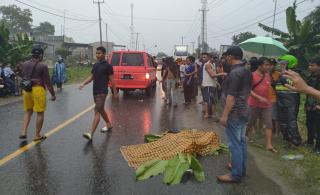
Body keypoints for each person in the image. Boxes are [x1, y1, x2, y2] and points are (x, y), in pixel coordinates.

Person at [218, 46, 252, 183]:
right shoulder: (246, 72)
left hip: (234, 114)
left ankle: (235, 175)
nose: (225, 59)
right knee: (241, 142)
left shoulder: (235, 73)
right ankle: (241, 169)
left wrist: (224, 116)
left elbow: (231, 97)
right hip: (244, 111)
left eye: (226, 56)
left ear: (230, 57)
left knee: (235, 144)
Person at [79, 46, 118, 141]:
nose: (97, 55)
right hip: (95, 91)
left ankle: (90, 134)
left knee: (97, 111)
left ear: (104, 54)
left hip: (102, 92)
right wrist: (83, 83)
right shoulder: (95, 65)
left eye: (99, 53)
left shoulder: (108, 66)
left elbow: (112, 80)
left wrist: (115, 92)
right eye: (96, 53)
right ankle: (109, 124)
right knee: (101, 110)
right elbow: (92, 77)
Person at [19, 47, 56, 141]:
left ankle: (23, 132)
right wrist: (53, 94)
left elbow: (22, 76)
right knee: (40, 113)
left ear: (31, 54)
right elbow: (48, 82)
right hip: (38, 90)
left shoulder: (24, 64)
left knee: (28, 111)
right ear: (40, 55)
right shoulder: (42, 66)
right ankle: (37, 135)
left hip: (27, 90)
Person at [247, 57, 277, 152]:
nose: (268, 67)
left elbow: (269, 88)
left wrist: (271, 98)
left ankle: (269, 144)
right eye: (266, 65)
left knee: (269, 124)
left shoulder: (268, 76)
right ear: (259, 66)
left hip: (267, 105)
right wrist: (259, 97)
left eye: (269, 65)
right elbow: (248, 90)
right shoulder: (252, 75)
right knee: (250, 123)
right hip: (253, 104)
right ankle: (245, 136)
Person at [275, 55, 302, 147]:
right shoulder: (281, 74)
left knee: (291, 121)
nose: (280, 65)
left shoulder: (295, 74)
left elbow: (288, 83)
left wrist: (283, 75)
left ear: (290, 64)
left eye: (283, 63)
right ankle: (287, 139)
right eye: (280, 63)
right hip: (281, 100)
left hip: (291, 101)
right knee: (282, 121)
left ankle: (295, 141)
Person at [304, 58, 320, 154]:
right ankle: (310, 141)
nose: (310, 67)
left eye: (312, 65)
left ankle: (318, 148)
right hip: (310, 105)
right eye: (309, 65)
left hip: (318, 106)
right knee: (309, 124)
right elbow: (308, 91)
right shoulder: (311, 76)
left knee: (318, 127)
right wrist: (307, 104)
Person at [269, 59, 281, 135]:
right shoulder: (264, 74)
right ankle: (270, 130)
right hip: (266, 98)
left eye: (273, 64)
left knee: (275, 116)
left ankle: (277, 132)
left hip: (275, 97)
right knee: (268, 116)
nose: (271, 66)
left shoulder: (279, 74)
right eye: (269, 64)